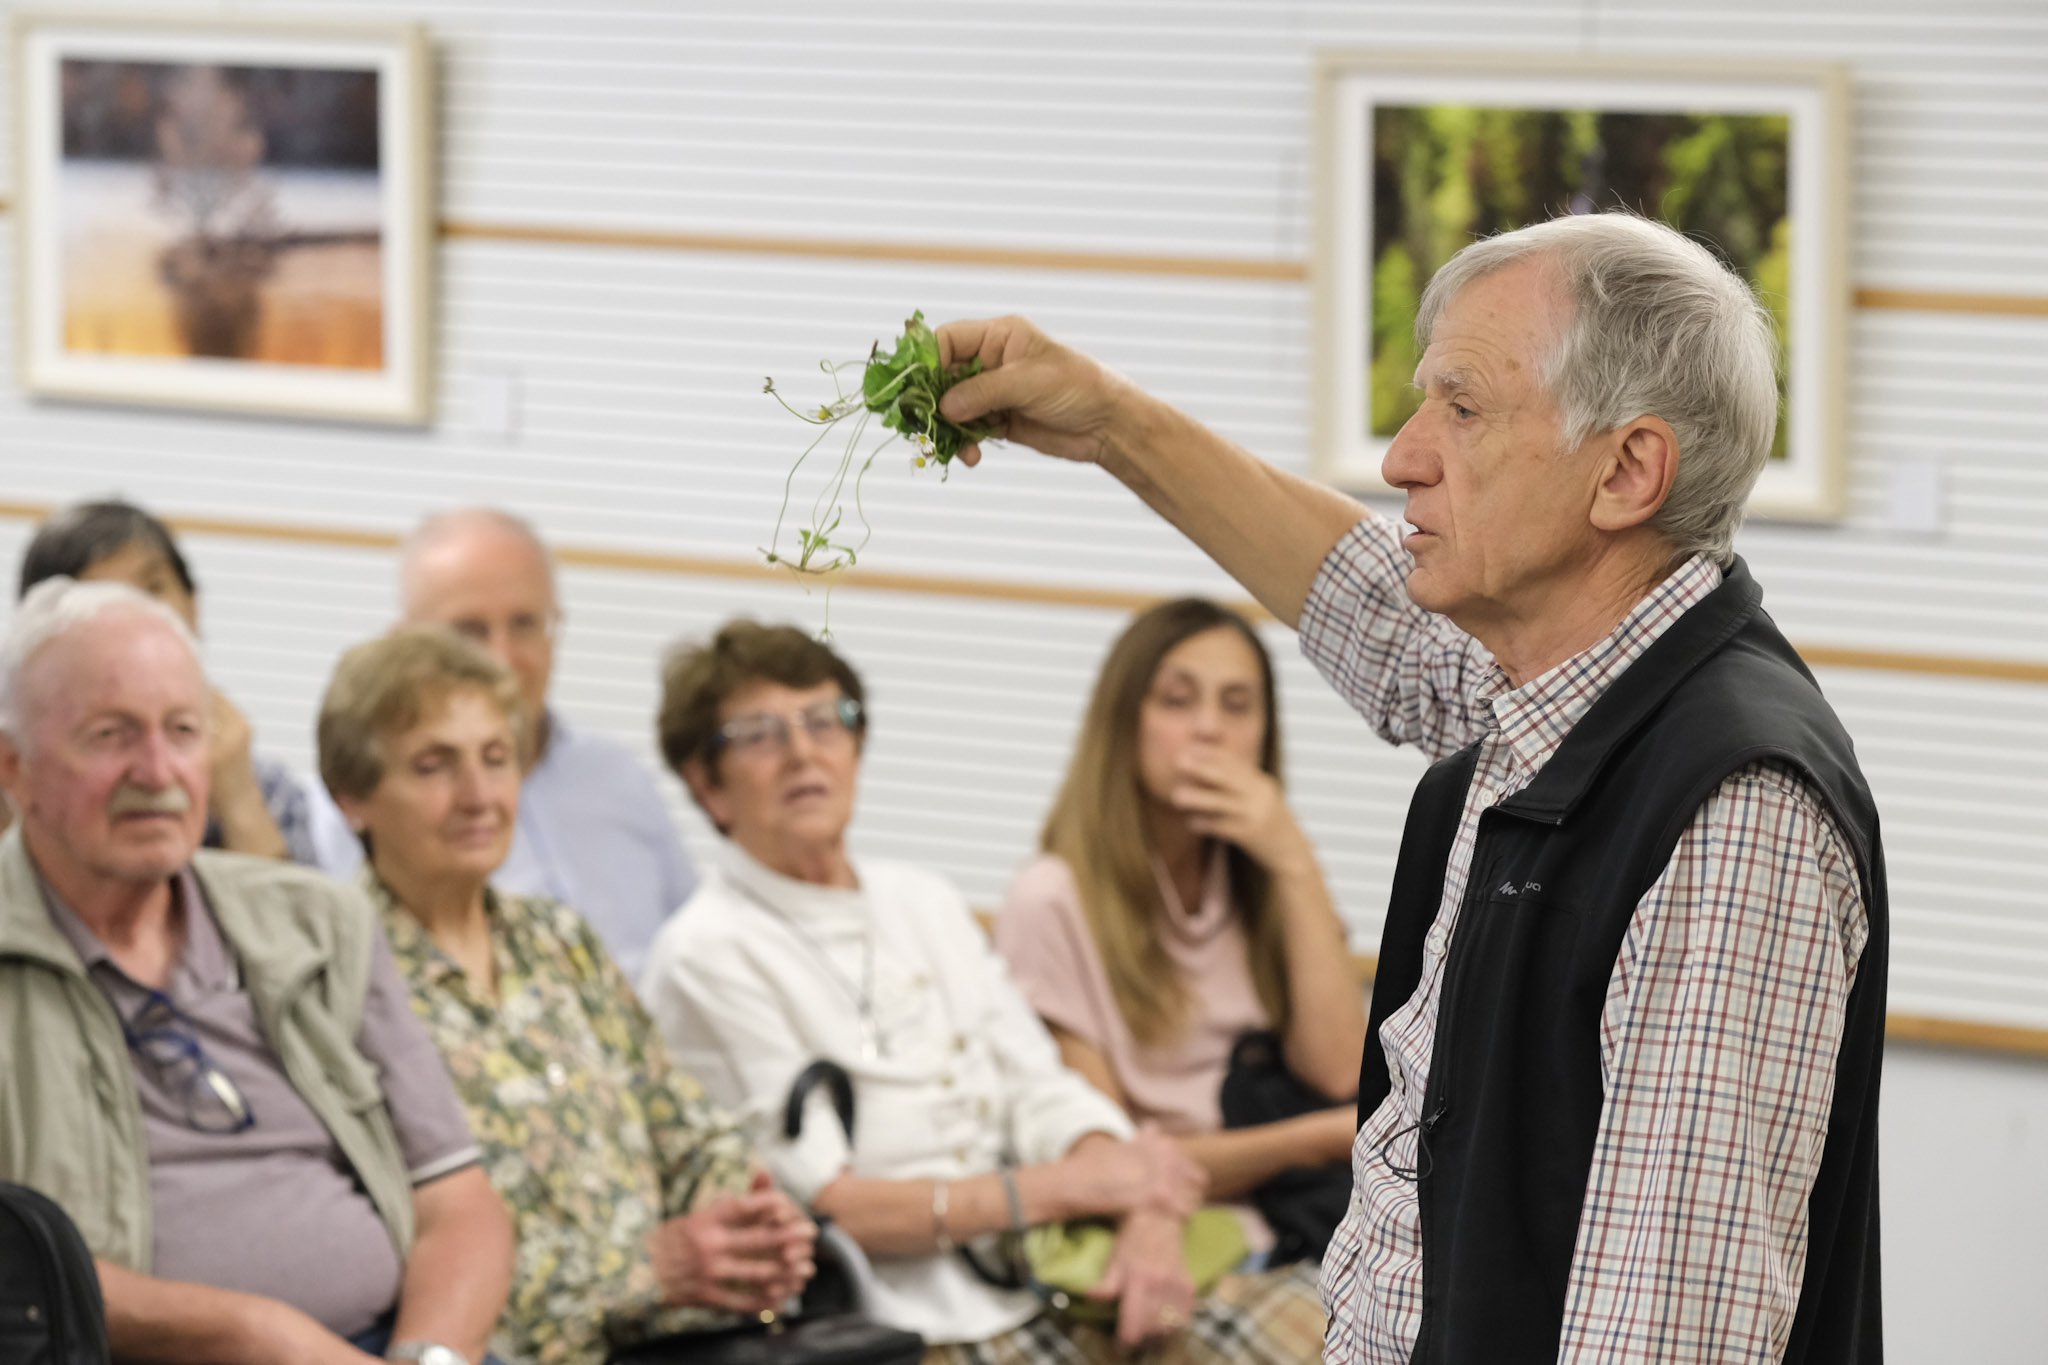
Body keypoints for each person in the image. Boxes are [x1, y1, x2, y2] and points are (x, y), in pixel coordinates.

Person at [928, 211, 1887, 1364]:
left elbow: (1663, 1336)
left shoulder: (1726, 809)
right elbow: (1371, 609)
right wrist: (1112, 427)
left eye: (1462, 408)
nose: (1400, 456)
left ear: (1626, 471)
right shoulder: (1557, 697)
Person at [640, 620, 1327, 1363]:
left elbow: (1040, 1086)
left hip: (1041, 1280)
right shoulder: (706, 952)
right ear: (707, 784)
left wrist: (1142, 1202)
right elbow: (831, 1207)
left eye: (826, 720)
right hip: (888, 1323)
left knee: (1334, 1331)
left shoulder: (920, 899)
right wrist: (1072, 1185)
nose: (805, 751)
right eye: (760, 734)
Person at [0, 577, 513, 1365]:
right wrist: (254, 1333)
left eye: (183, 729)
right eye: (110, 735)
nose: (158, 768)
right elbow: (14, 1272)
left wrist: (430, 1356)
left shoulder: (315, 923)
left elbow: (457, 1198)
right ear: (14, 768)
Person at [315, 626, 815, 1365]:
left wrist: (740, 1224)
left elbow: (687, 1125)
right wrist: (645, 1270)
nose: (480, 795)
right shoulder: (338, 974)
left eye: (496, 758)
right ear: (352, 796)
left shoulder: (557, 938)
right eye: (434, 765)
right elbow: (386, 1247)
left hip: (680, 1338)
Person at [998, 598, 1363, 1261]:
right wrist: (1309, 1140)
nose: (1208, 730)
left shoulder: (1263, 871)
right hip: (1171, 1233)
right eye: (1176, 700)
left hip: (1310, 1217)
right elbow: (1113, 1160)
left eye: (1236, 704)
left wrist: (1294, 860)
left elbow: (1339, 1070)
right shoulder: (1050, 898)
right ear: (1123, 721)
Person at [308, 508, 695, 983]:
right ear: (403, 643)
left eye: (525, 624)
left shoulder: (618, 779)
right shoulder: (350, 814)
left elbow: (689, 947)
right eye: (469, 631)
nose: (501, 657)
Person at [12, 499, 317, 863]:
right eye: (104, 598)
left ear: (193, 605)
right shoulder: (20, 765)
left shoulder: (263, 782)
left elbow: (297, 915)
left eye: (153, 587)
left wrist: (240, 803)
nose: (140, 615)